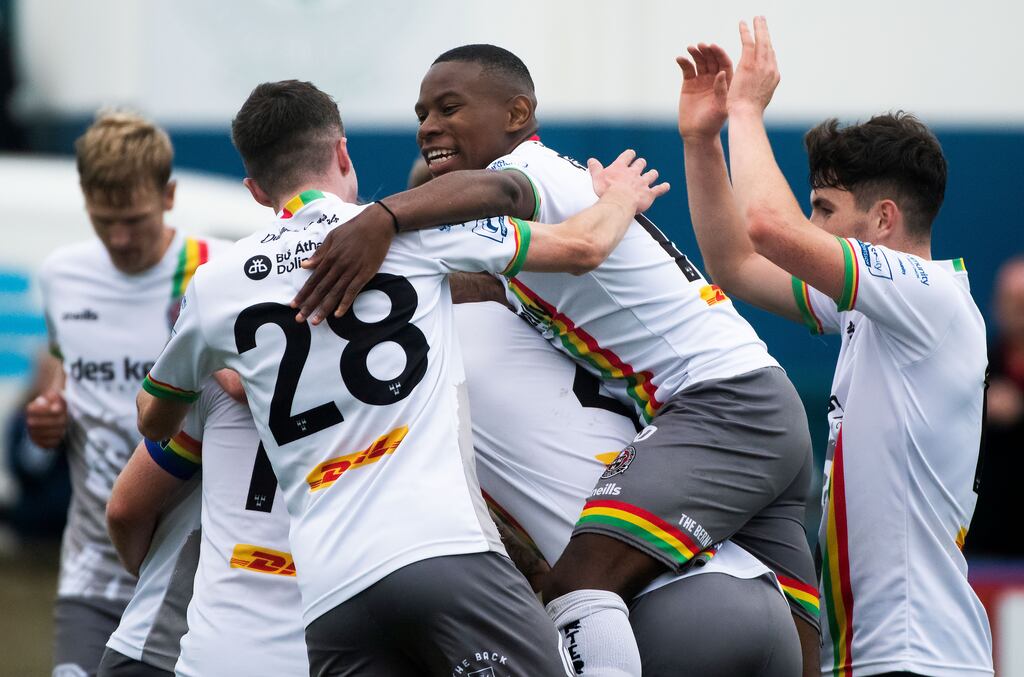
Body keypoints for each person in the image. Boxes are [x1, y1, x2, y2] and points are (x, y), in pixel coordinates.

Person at [291, 44, 819, 676]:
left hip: (721, 406)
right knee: (799, 636)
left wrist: (382, 217)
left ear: (518, 114)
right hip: (760, 407)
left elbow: (501, 192)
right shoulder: (538, 224)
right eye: (422, 114)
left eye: (449, 108)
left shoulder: (525, 170)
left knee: (578, 584)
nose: (429, 125)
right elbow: (467, 283)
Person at [135, 79, 668, 676]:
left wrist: (219, 366)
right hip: (442, 551)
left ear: (255, 190)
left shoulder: (214, 285)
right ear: (343, 153)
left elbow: (153, 418)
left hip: (331, 596)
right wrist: (622, 196)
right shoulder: (411, 232)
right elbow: (582, 247)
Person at [674, 16, 993, 676]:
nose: (810, 224)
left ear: (882, 220)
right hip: (874, 656)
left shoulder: (930, 296)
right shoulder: (873, 311)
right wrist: (702, 140)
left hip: (917, 657)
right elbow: (736, 263)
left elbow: (768, 227)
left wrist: (746, 110)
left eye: (822, 208)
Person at [26, 111, 226, 677]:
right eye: (104, 219)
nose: (119, 238)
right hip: (92, 567)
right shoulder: (61, 276)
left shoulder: (216, 271)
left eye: (134, 220)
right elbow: (65, 377)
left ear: (169, 196)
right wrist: (48, 416)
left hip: (189, 565)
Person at [104, 377, 308, 676]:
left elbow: (124, 510)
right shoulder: (370, 402)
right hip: (315, 648)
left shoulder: (216, 380)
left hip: (165, 643)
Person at [968, 256, 1024, 557]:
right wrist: (977, 406)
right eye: (1011, 301)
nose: (1018, 312)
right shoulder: (975, 367)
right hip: (983, 539)